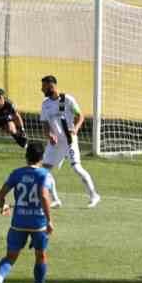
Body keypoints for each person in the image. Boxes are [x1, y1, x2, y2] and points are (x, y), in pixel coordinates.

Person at [0, 141, 57, 283]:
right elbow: (44, 195)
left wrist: (4, 206)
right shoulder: (44, 175)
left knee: (10, 257)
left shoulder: (17, 173)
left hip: (18, 221)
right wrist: (49, 220)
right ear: (41, 157)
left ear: (26, 157)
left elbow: (0, 196)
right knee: (40, 255)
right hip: (38, 223)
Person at [39, 74, 100, 208]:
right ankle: (55, 199)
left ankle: (94, 195)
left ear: (51, 86)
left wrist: (75, 129)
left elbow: (80, 116)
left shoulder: (67, 100)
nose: (42, 90)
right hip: (56, 142)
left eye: (43, 87)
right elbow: (44, 123)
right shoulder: (45, 104)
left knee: (77, 167)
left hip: (69, 140)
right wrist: (49, 134)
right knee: (44, 171)